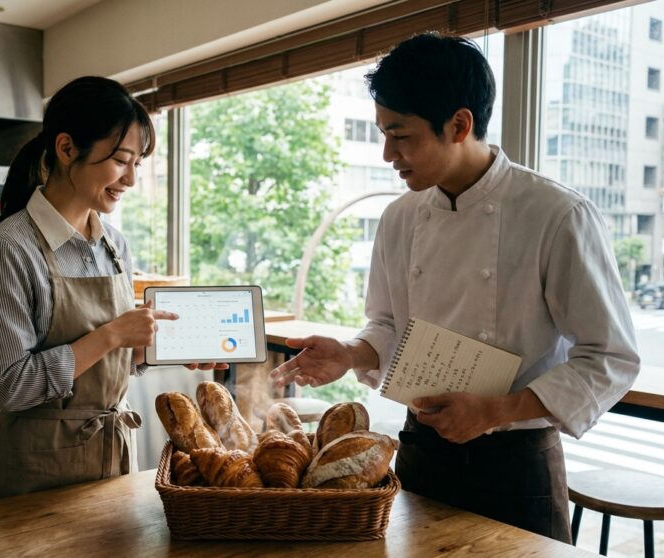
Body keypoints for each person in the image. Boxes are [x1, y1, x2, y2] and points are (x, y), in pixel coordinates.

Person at [271, 33, 639, 542]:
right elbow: (389, 324)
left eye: (401, 135)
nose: (387, 154)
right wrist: (351, 353)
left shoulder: (556, 215)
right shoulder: (399, 217)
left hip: (515, 467)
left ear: (459, 125)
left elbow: (610, 357)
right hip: (420, 452)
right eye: (383, 134)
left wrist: (496, 410)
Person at [0, 76, 224, 501]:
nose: (131, 179)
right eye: (121, 160)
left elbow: (106, 363)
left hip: (113, 462)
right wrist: (112, 336)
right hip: (35, 478)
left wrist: (151, 350)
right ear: (67, 148)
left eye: (137, 163)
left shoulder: (114, 244)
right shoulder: (8, 249)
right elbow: (11, 387)